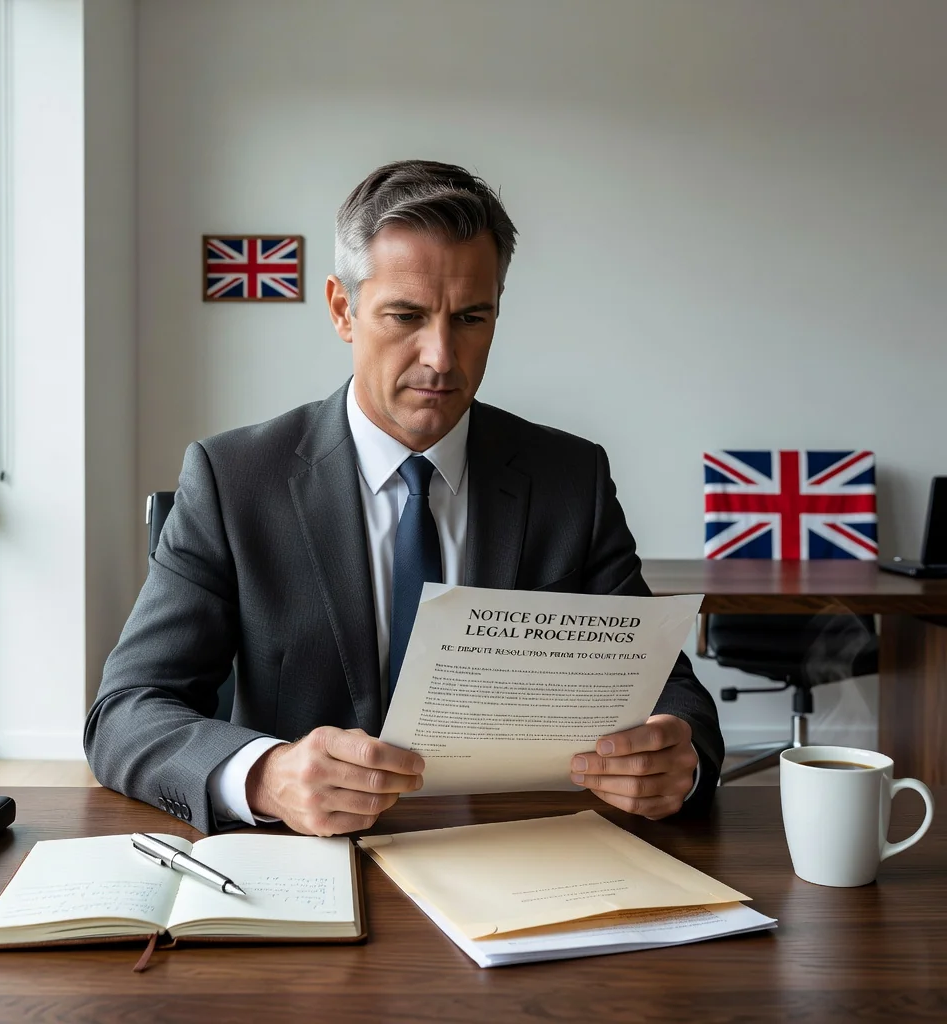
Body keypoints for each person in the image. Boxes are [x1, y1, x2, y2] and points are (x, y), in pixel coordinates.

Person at [85, 160, 723, 836]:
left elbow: (669, 690)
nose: (442, 357)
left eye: (470, 317)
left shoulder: (571, 478)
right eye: (406, 316)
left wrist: (678, 758)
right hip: (306, 859)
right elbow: (125, 713)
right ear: (343, 310)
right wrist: (267, 776)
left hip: (514, 848)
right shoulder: (233, 480)